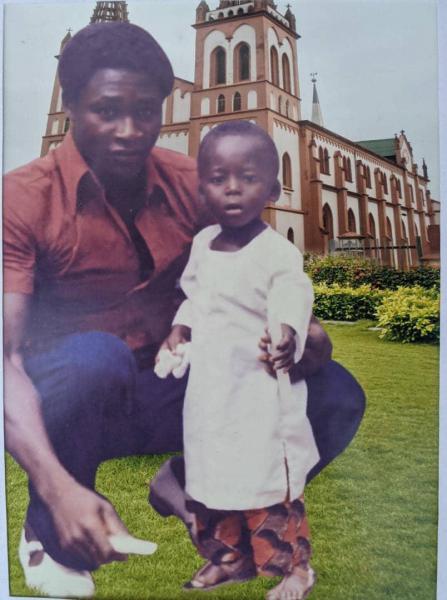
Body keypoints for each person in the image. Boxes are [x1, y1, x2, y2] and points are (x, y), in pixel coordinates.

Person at [3, 21, 365, 599]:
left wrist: (301, 335)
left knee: (337, 392)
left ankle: (188, 484)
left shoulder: (198, 184)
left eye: (146, 111)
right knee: (95, 358)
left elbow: (252, 276)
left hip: (181, 385)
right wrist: (52, 485)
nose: (129, 131)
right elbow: (6, 360)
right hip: (76, 399)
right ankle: (49, 533)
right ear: (69, 104)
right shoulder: (21, 199)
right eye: (106, 110)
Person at [155, 121, 320, 599]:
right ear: (201, 186)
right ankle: (228, 557)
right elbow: (195, 297)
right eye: (217, 177)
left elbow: (292, 294)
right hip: (211, 392)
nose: (232, 189)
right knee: (214, 475)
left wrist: (287, 333)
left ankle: (295, 569)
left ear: (272, 187)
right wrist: (181, 326)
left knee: (268, 480)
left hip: (258, 392)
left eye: (247, 177)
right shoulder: (203, 244)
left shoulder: (277, 253)